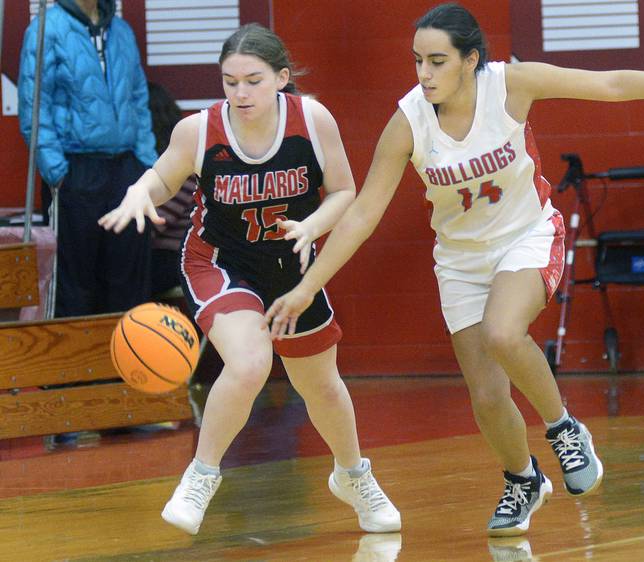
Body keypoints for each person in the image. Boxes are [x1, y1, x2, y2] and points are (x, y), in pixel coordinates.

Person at [265, 2, 644, 537]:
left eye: (437, 61)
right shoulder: (408, 121)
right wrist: (305, 288)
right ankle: (522, 479)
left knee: (505, 332)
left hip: (528, 236)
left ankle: (564, 429)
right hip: (459, 260)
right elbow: (363, 212)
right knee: (486, 393)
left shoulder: (510, 85)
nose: (424, 74)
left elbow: (611, 84)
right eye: (417, 62)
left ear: (470, 60)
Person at [98, 23, 401, 536]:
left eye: (253, 80)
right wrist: (138, 191)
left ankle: (353, 476)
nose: (240, 93)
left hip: (289, 265)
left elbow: (344, 193)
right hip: (219, 263)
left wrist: (312, 225)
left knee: (321, 385)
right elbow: (164, 175)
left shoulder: (312, 119)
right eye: (230, 81)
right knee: (250, 361)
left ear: (281, 78)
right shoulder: (199, 130)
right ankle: (201, 475)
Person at [18, 0, 157, 317]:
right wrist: (57, 172)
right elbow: (34, 107)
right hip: (74, 169)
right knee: (74, 282)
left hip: (127, 171)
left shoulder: (121, 30)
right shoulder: (45, 29)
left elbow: (138, 97)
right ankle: (76, 365)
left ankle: (129, 364)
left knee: (130, 280)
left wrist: (146, 165)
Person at [146, 81, 197, 298]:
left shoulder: (178, 168)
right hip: (168, 256)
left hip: (173, 258)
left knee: (119, 274)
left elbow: (155, 225)